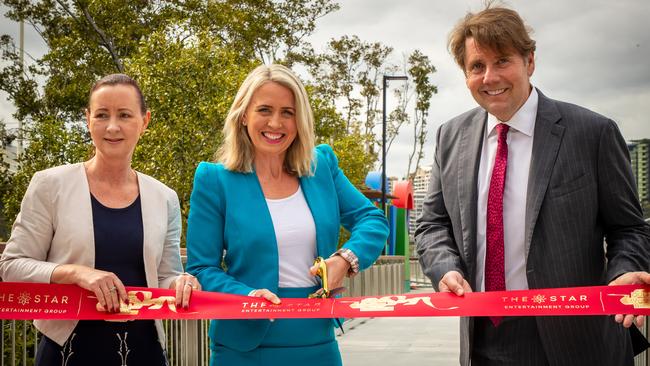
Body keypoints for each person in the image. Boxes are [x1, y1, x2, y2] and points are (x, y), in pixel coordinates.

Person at [415, 5, 650, 366]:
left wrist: (624, 270)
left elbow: (630, 228)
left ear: (530, 61)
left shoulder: (593, 133)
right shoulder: (451, 137)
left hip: (578, 340)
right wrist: (445, 266)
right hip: (482, 338)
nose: (490, 77)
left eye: (503, 61)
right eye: (477, 66)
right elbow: (432, 224)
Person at [185, 64, 389, 365]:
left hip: (316, 339)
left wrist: (345, 259)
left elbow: (371, 220)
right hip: (243, 346)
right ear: (244, 115)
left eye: (288, 112)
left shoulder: (321, 166)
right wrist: (249, 296)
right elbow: (202, 268)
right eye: (264, 110)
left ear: (299, 120)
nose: (276, 123)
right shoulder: (214, 179)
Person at [0, 74, 200, 366]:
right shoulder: (49, 185)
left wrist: (182, 283)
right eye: (102, 115)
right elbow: (12, 266)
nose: (113, 126)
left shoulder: (164, 197)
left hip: (145, 351)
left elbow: (166, 275)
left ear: (145, 121)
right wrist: (78, 274)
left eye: (125, 115)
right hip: (66, 351)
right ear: (88, 119)